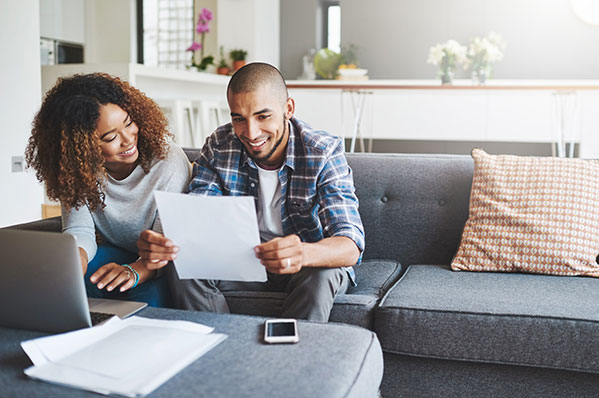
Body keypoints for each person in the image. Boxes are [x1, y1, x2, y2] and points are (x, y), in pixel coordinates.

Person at [137, 63, 364, 321]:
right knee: (181, 264)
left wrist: (302, 253)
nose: (251, 133)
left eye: (263, 116)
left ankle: (290, 360)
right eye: (238, 119)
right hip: (245, 264)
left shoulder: (322, 151)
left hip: (305, 265)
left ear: (288, 109)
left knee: (323, 274)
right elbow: (200, 215)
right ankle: (220, 349)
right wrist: (166, 242)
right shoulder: (220, 146)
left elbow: (350, 244)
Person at [25, 73, 191, 307]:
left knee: (148, 306)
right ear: (81, 146)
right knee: (65, 292)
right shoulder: (76, 169)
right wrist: (75, 262)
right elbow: (80, 230)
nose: (128, 140)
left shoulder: (167, 162)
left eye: (129, 123)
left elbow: (164, 246)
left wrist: (134, 271)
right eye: (110, 137)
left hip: (157, 265)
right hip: (112, 253)